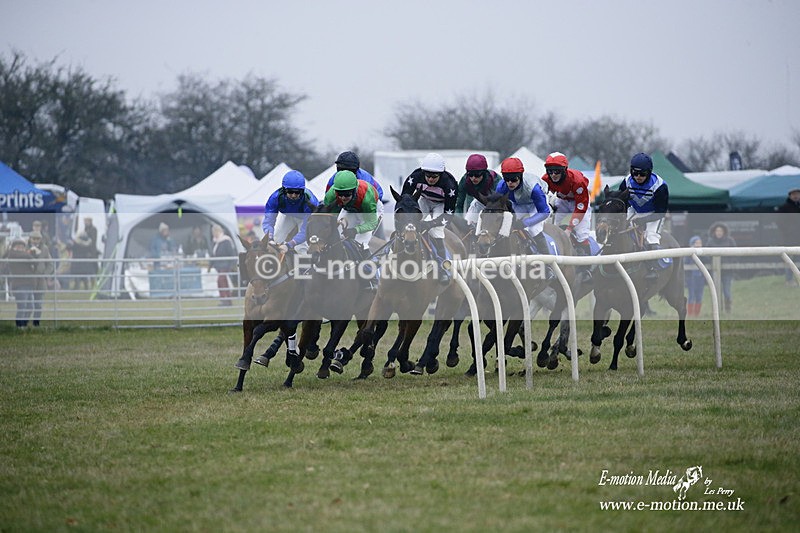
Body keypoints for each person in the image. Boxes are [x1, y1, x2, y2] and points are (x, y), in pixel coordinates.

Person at [401, 152, 459, 283]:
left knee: (436, 232)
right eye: (428, 175)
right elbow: (405, 200)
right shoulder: (415, 177)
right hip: (424, 200)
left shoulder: (450, 185)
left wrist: (430, 224)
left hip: (441, 204)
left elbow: (448, 215)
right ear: (423, 172)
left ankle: (443, 268)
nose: (431, 179)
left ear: (441, 174)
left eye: (434, 176)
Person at [496, 157, 553, 280]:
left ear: (520, 176)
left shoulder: (534, 188)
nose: (510, 183)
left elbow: (544, 212)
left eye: (513, 179)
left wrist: (525, 223)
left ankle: (548, 266)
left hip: (536, 204)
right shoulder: (501, 187)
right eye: (507, 179)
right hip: (518, 203)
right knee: (506, 225)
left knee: (533, 229)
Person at [618, 152, 669, 280]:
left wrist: (643, 220)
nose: (638, 177)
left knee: (651, 237)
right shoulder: (626, 182)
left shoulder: (660, 186)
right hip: (634, 210)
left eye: (642, 174)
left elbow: (661, 212)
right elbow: (622, 202)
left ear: (649, 172)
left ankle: (653, 269)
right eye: (635, 173)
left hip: (654, 214)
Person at [542, 152, 593, 255]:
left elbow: (580, 208)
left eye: (557, 171)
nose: (553, 175)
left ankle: (587, 265)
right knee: (553, 226)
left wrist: (569, 229)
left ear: (564, 170)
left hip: (579, 203)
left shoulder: (577, 181)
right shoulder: (545, 179)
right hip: (562, 201)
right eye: (550, 171)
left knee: (582, 233)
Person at [323, 170, 380, 254]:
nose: (342, 198)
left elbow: (371, 223)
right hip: (349, 208)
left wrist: (355, 230)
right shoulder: (331, 195)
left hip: (368, 210)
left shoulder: (367, 199)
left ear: (354, 191)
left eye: (346, 194)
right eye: (340, 194)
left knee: (361, 243)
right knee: (338, 237)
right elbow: (327, 216)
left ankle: (367, 265)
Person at [262, 170, 319, 253]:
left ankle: (306, 265)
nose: (293, 195)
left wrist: (289, 245)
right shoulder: (275, 198)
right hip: (288, 216)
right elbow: (268, 222)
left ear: (302, 191)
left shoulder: (310, 202)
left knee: (301, 247)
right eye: (290, 192)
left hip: (304, 219)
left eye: (297, 192)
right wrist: (270, 238)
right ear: (284, 190)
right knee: (276, 239)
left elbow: (304, 232)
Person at [456, 153, 498, 225]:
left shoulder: (495, 180)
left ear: (484, 173)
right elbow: (459, 205)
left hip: (496, 206)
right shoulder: (464, 180)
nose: (473, 178)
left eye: (477, 175)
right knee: (467, 225)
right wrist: (459, 223)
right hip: (479, 202)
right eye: (470, 175)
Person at [3, 238, 35, 328]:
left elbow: (33, 261)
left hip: (29, 285)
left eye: (22, 247)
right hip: (19, 285)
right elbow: (29, 257)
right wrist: (29, 254)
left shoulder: (23, 255)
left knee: (30, 307)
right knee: (22, 307)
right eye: (18, 246)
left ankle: (23, 325)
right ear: (13, 247)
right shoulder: (12, 254)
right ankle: (19, 326)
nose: (20, 248)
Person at [707, 222, 737, 313]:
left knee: (727, 291)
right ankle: (717, 311)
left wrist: (730, 263)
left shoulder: (730, 241)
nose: (719, 232)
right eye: (717, 231)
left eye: (720, 231)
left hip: (727, 271)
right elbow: (707, 255)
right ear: (714, 232)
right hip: (715, 270)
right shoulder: (710, 241)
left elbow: (735, 254)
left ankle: (728, 310)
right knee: (715, 292)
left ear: (724, 232)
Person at [28, 231, 54, 326]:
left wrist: (45, 274)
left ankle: (36, 323)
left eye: (38, 239)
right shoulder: (25, 248)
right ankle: (23, 323)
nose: (35, 241)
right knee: (27, 304)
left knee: (38, 304)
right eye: (33, 238)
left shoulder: (45, 249)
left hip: (40, 281)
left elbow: (50, 264)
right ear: (30, 239)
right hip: (28, 280)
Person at [776, 187, 800, 286]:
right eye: (793, 194)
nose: (796, 196)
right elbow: (779, 222)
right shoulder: (784, 208)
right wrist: (789, 231)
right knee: (789, 260)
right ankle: (789, 280)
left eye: (797, 194)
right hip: (789, 239)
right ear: (790, 196)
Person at [211, 224, 237, 306]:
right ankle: (227, 300)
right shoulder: (215, 241)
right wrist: (210, 265)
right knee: (223, 282)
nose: (214, 234)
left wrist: (232, 265)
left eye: (215, 231)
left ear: (219, 231)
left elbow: (231, 253)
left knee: (221, 280)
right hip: (219, 265)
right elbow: (213, 254)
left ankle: (225, 299)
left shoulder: (226, 241)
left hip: (225, 265)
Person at [685, 235, 706, 317]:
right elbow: (686, 263)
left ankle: (697, 314)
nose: (698, 245)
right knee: (691, 295)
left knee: (699, 295)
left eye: (700, 243)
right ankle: (690, 313)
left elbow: (707, 260)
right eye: (696, 243)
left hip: (700, 277)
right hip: (691, 278)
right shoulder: (688, 254)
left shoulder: (703, 254)